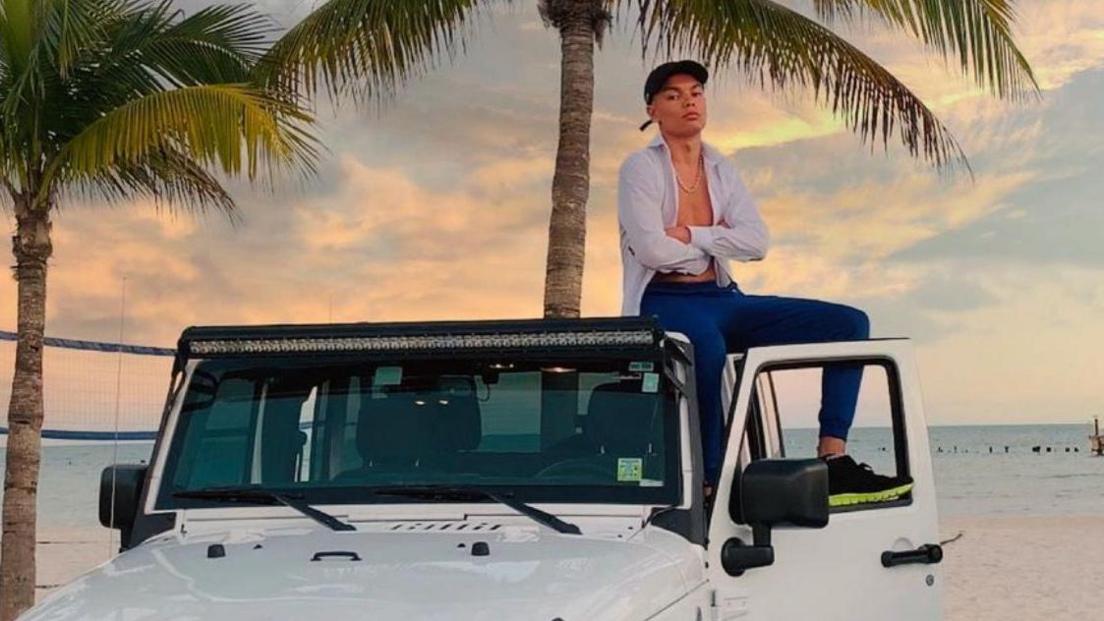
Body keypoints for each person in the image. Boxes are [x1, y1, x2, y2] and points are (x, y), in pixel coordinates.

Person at [617, 60, 912, 503]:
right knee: (707, 350)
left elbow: (756, 242)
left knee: (849, 324)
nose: (688, 102)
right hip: (664, 299)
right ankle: (712, 478)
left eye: (696, 92)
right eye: (674, 95)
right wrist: (717, 241)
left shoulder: (721, 168)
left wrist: (694, 236)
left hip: (722, 296)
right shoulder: (640, 168)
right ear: (653, 109)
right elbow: (653, 251)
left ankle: (833, 459)